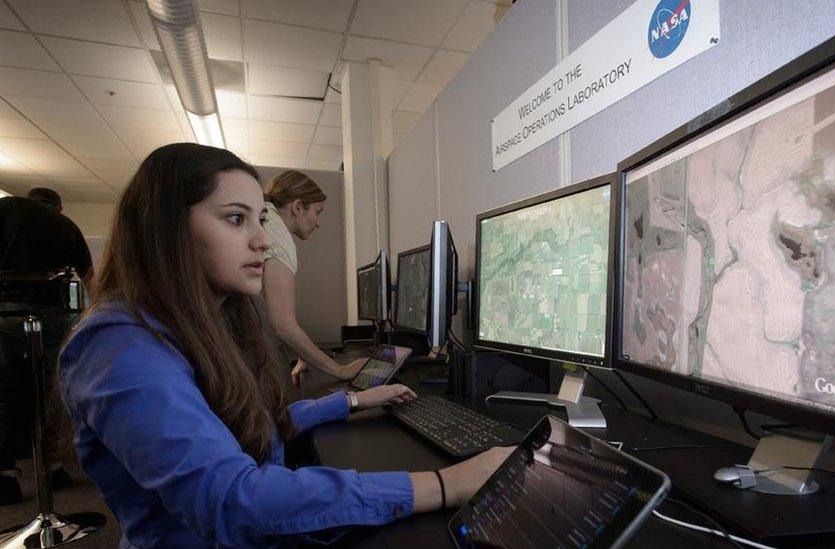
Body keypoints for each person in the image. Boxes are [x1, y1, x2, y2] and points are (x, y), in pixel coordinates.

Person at [57, 143, 512, 547]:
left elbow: (251, 425)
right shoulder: (120, 346)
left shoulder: (207, 323)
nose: (261, 241)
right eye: (236, 219)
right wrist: (445, 483)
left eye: (260, 219)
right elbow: (233, 499)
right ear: (167, 229)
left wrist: (353, 400)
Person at [0, 187, 92, 504]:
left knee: (3, 395)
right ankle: (52, 469)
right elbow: (91, 279)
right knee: (51, 393)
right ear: (60, 206)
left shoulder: (6, 208)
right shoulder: (65, 226)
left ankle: (4, 478)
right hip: (50, 318)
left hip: (4, 314)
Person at [260, 170, 364, 388]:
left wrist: (305, 353)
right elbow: (283, 325)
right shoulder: (278, 236)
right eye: (318, 212)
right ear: (297, 207)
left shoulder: (266, 220)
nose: (318, 222)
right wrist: (340, 370)